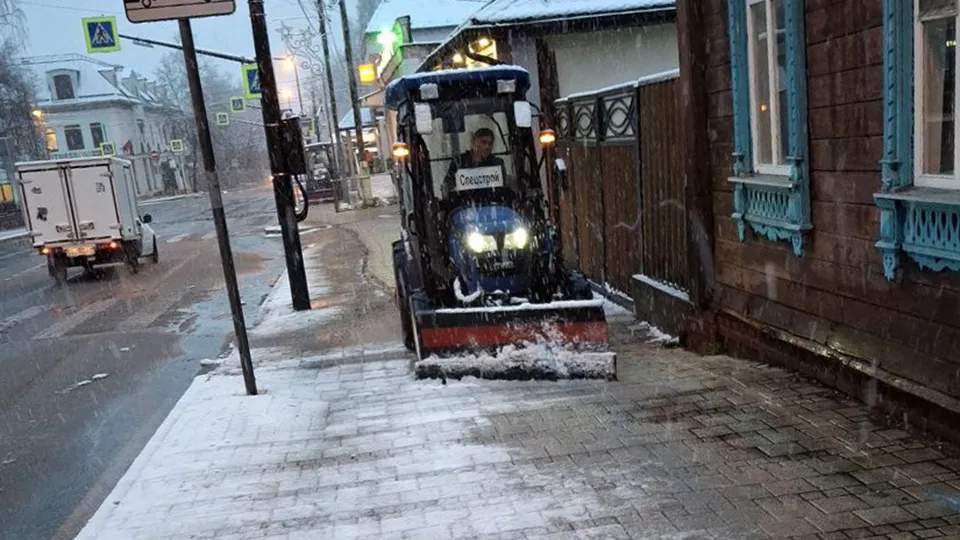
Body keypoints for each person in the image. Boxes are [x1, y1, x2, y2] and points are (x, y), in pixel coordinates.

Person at [441, 128, 506, 199]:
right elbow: (447, 186)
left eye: (490, 144)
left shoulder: (496, 163)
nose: (487, 147)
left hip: (491, 204)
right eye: (483, 142)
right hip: (465, 205)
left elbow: (502, 189)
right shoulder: (459, 162)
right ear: (474, 143)